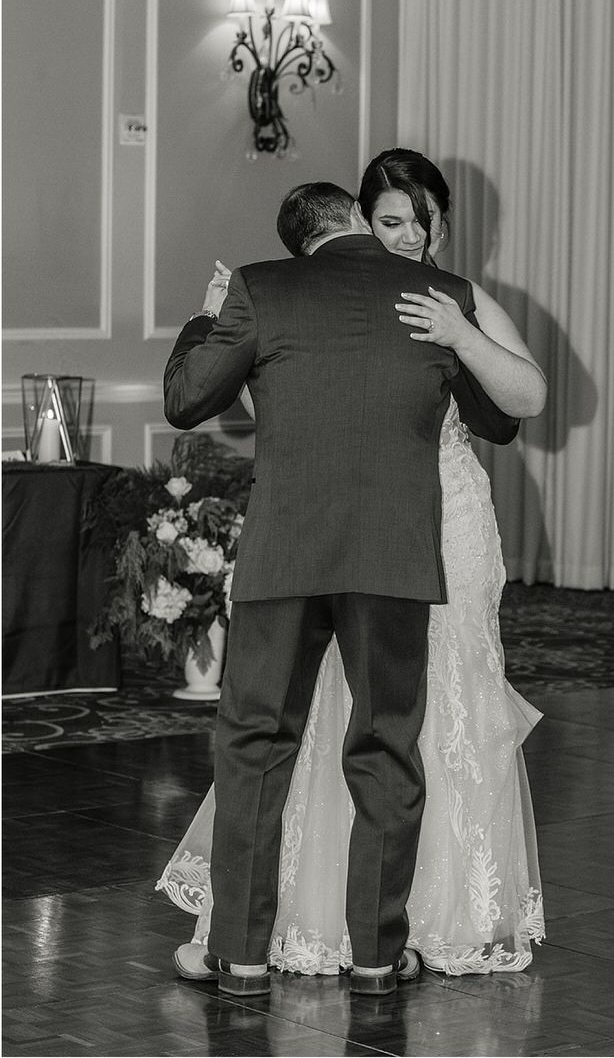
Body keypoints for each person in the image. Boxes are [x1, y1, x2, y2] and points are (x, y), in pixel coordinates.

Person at [159, 151, 549, 978]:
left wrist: (205, 321)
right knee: (385, 747)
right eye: (390, 220)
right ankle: (375, 955)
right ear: (359, 220)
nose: (405, 235)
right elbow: (498, 421)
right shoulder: (436, 299)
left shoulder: (266, 288)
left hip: (290, 553)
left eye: (418, 220)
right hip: (397, 556)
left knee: (258, 744)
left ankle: (241, 952)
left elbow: (190, 398)